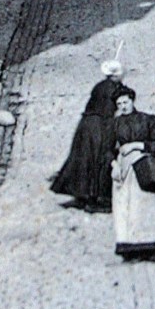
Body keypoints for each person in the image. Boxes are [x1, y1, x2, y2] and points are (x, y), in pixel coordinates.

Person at [50, 60, 123, 211]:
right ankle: (96, 197)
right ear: (116, 75)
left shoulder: (99, 86)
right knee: (100, 158)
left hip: (86, 125)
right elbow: (111, 111)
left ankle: (81, 194)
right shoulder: (114, 89)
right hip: (100, 126)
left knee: (83, 159)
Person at [111, 86, 155, 259]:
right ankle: (130, 247)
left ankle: (153, 246)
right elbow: (107, 148)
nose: (123, 106)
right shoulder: (115, 124)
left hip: (146, 167)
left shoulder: (148, 119)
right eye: (119, 104)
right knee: (126, 208)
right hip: (125, 169)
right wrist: (114, 164)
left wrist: (136, 145)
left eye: (126, 102)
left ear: (132, 100)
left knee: (149, 206)